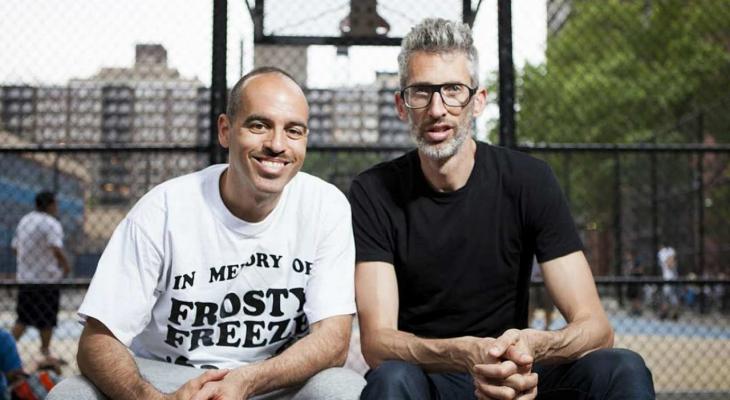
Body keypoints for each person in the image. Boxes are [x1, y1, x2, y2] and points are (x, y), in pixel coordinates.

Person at [350, 18, 655, 399]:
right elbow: (377, 343)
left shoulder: (529, 180)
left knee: (622, 368)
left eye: (453, 90)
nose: (437, 108)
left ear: (478, 101)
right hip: (431, 376)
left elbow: (596, 326)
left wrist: (532, 350)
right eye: (421, 92)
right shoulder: (373, 190)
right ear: (401, 105)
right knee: (391, 379)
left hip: (517, 369)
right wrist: (464, 353)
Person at [48, 67, 364, 400]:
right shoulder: (163, 209)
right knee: (69, 394)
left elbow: (333, 339)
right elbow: (97, 340)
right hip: (168, 379)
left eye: (294, 131)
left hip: (273, 380)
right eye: (259, 125)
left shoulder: (326, 206)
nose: (276, 144)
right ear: (225, 131)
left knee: (344, 390)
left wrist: (247, 381)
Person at [11, 191, 70, 363]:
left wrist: (28, 262)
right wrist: (66, 267)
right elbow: (56, 248)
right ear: (51, 204)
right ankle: (45, 352)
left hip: (26, 278)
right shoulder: (51, 223)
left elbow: (15, 247)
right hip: (47, 279)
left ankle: (5, 348)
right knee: (47, 319)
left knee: (23, 318)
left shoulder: (25, 220)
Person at [658, 244, 679, 320]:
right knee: (669, 297)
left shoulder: (670, 251)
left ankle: (671, 313)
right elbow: (670, 264)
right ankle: (666, 313)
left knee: (672, 297)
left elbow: (671, 264)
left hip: (671, 278)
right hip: (667, 278)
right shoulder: (662, 253)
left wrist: (670, 261)